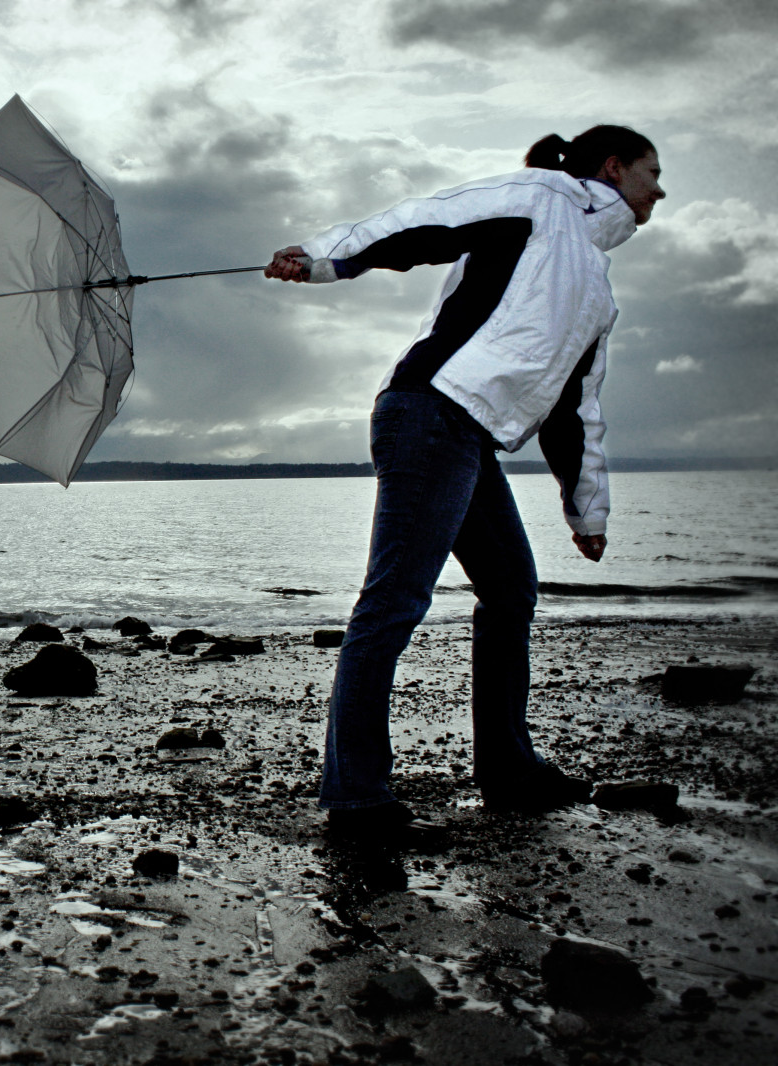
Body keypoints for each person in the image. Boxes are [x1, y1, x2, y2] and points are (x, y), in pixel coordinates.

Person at [266, 126, 665, 846]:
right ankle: (356, 800)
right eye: (650, 172)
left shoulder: (597, 291)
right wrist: (323, 257)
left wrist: (587, 507)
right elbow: (427, 222)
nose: (658, 191)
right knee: (394, 599)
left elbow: (575, 408)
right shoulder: (543, 197)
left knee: (511, 586)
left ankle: (508, 770)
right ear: (614, 167)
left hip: (469, 433)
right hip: (430, 411)